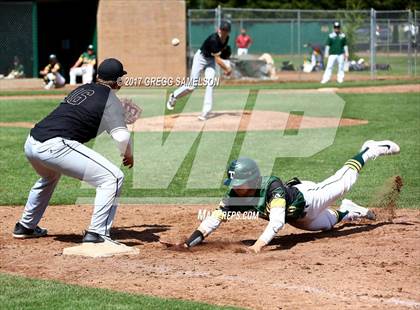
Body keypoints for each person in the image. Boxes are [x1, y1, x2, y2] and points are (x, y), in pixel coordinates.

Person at [182, 139, 400, 253]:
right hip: (301, 219)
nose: (235, 188)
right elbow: (213, 220)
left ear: (251, 180)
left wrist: (257, 246)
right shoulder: (235, 197)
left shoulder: (272, 187)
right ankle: (350, 210)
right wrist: (189, 242)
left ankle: (370, 150)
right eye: (234, 184)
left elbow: (277, 222)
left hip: (311, 198)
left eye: (239, 183)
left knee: (343, 182)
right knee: (328, 224)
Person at [13, 58, 134, 245]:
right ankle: (97, 234)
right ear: (118, 81)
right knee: (113, 178)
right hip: (55, 145)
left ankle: (26, 226)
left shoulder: (82, 88)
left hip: (32, 141)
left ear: (98, 76)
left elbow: (83, 113)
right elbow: (122, 138)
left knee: (49, 177)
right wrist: (128, 154)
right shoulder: (112, 101)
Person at [166, 21, 232, 121]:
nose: (224, 32)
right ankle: (174, 96)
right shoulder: (214, 39)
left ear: (228, 32)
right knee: (192, 86)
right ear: (219, 29)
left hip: (211, 61)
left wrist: (225, 59)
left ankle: (205, 112)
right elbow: (218, 60)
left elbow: (219, 55)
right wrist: (227, 68)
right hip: (200, 59)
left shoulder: (226, 39)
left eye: (226, 30)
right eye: (223, 30)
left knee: (210, 83)